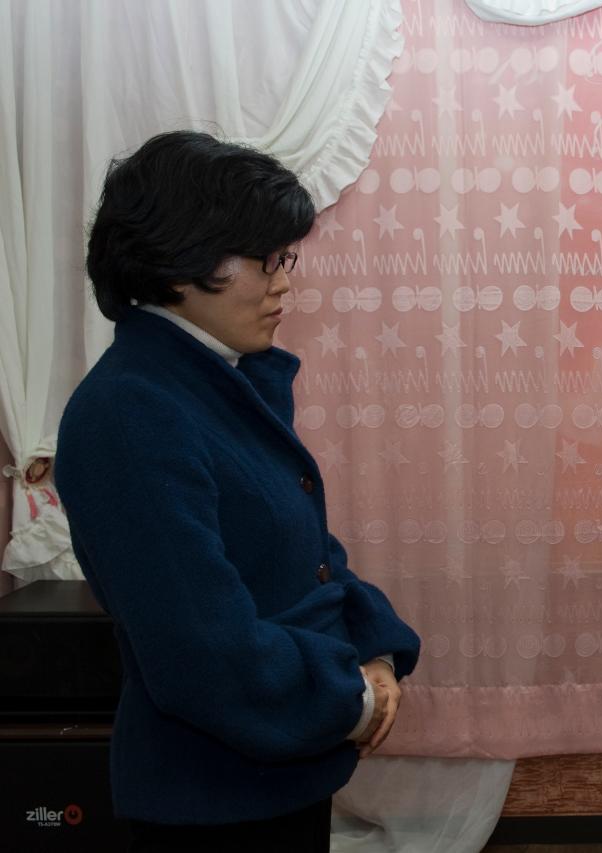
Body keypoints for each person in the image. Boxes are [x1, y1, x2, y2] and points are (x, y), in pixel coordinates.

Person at [56, 131, 421, 853]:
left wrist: (375, 650)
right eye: (266, 260)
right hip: (211, 802)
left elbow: (307, 553)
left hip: (276, 780)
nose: (284, 281)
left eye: (284, 257)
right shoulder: (131, 412)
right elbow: (202, 651)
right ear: (180, 265)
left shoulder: (206, 383)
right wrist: (353, 696)